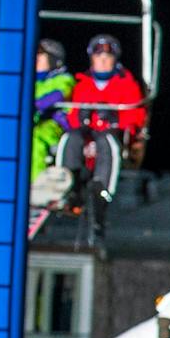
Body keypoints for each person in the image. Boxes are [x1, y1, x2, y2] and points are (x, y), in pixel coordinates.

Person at [59, 33, 147, 226]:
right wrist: (79, 118)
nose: (103, 60)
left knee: (106, 143)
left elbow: (136, 115)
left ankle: (102, 191)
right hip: (86, 133)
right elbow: (71, 112)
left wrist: (117, 119)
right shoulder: (82, 83)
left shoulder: (126, 84)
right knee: (70, 138)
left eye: (108, 56)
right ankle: (67, 186)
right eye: (99, 56)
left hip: (109, 133)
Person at [30, 39, 74, 205]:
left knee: (34, 139)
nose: (35, 59)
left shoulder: (62, 78)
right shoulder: (28, 80)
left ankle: (35, 185)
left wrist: (36, 106)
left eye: (41, 56)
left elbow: (57, 95)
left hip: (52, 124)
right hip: (33, 121)